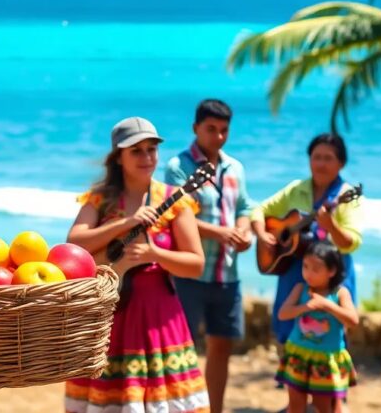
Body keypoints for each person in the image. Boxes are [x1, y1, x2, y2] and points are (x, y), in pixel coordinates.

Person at [65, 117, 210, 413]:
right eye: (137, 151)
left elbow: (195, 265)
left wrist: (154, 254)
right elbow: (75, 245)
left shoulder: (174, 200)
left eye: (151, 150)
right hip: (110, 318)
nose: (147, 157)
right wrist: (125, 223)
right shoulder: (100, 198)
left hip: (159, 320)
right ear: (119, 156)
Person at [164, 98, 255, 413]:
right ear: (196, 128)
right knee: (180, 350)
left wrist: (244, 231)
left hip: (227, 273)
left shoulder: (235, 167)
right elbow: (174, 215)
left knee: (221, 348)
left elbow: (244, 207)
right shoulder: (178, 167)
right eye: (211, 129)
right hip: (189, 274)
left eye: (224, 130)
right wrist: (221, 233)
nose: (218, 137)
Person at [252, 133, 363, 346]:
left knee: (328, 335)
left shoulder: (346, 195)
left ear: (341, 163)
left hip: (331, 276)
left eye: (328, 158)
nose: (321, 164)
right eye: (316, 157)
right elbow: (260, 209)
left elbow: (352, 242)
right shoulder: (296, 189)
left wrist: (331, 227)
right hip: (294, 271)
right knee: (288, 336)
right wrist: (262, 233)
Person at [276, 240, 359, 413]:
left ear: (332, 271)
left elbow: (353, 320)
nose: (308, 274)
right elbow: (283, 313)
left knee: (323, 408)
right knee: (295, 405)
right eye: (305, 266)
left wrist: (327, 305)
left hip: (326, 360)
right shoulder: (300, 289)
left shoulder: (340, 294)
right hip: (298, 356)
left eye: (315, 269)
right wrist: (306, 307)